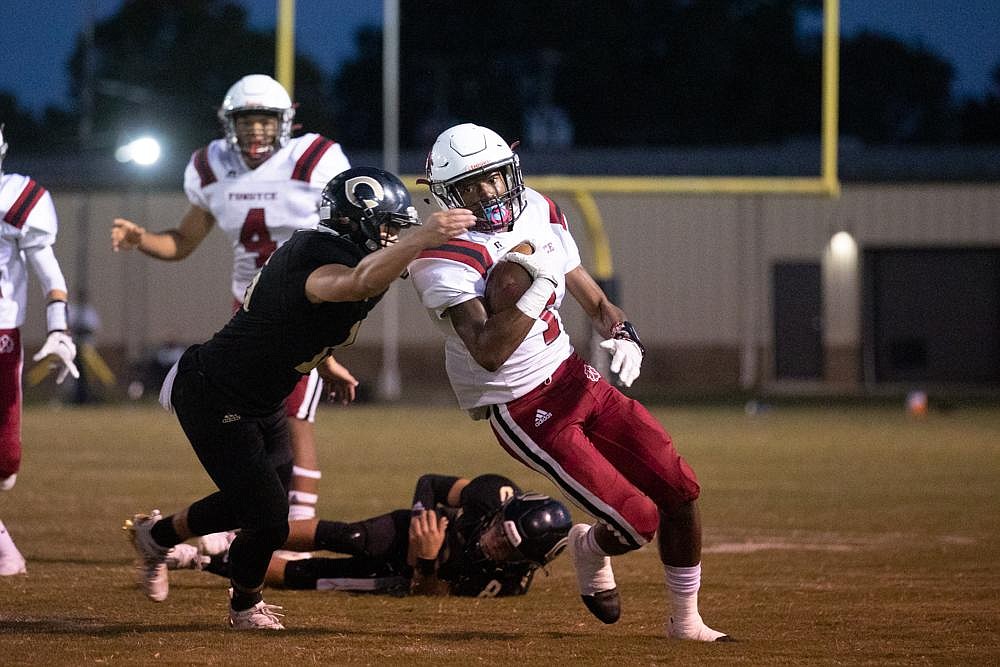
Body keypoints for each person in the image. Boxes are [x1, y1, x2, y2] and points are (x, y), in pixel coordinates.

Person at [407, 123, 732, 642]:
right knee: (635, 520)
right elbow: (489, 352)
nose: (490, 194)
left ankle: (686, 620)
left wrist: (624, 332)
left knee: (679, 488)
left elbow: (592, 297)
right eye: (473, 186)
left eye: (494, 178)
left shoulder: (538, 206)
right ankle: (587, 547)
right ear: (448, 195)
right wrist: (538, 288)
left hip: (575, 375)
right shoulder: (441, 255)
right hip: (522, 403)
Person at [122, 166, 475, 630]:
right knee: (268, 518)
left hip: (259, 396)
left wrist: (325, 361)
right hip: (215, 393)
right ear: (355, 222)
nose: (396, 239)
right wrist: (422, 238)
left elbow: (295, 319)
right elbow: (352, 284)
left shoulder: (335, 251)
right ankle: (244, 606)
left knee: (254, 501)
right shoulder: (319, 257)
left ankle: (156, 537)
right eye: (389, 228)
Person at [111, 74, 353, 532]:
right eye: (247, 121)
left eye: (265, 121)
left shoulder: (316, 160)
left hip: (306, 306)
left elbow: (343, 231)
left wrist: (327, 342)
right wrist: (142, 238)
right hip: (247, 310)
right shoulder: (212, 166)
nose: (257, 131)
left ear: (286, 122)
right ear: (229, 124)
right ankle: (255, 519)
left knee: (294, 413)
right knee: (249, 423)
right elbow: (182, 241)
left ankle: (296, 519)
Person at [170, 473, 572, 598]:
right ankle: (249, 534)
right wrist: (422, 523)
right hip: (409, 532)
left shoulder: (508, 583)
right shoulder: (491, 492)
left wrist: (427, 560)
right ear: (505, 510)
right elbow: (430, 482)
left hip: (416, 574)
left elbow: (427, 595)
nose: (495, 542)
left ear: (527, 563)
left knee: (314, 577)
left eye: (508, 547)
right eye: (502, 531)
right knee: (347, 536)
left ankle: (202, 561)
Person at [0, 124, 79, 575]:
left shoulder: (16, 199)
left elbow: (50, 275)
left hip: (3, 334)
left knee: (6, 462)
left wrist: (58, 329)